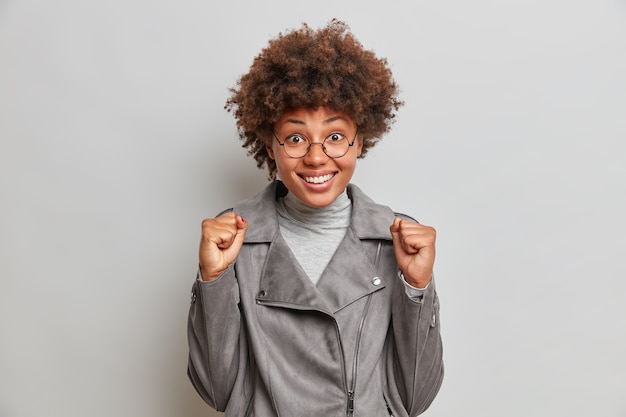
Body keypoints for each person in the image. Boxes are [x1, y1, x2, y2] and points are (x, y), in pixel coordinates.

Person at [187, 19, 443, 417]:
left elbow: (415, 397)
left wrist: (417, 288)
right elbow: (217, 391)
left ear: (360, 140)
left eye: (336, 136)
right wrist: (213, 281)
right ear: (270, 145)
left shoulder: (396, 240)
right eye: (295, 138)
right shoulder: (234, 238)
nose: (316, 156)